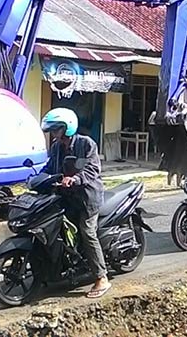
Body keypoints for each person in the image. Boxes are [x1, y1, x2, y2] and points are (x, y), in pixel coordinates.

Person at [39, 107, 111, 299]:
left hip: (87, 197)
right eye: (52, 131)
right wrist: (38, 177)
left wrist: (75, 179)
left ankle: (101, 277)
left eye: (56, 130)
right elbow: (49, 167)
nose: (54, 135)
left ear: (67, 128)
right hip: (66, 196)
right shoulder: (56, 147)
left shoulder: (86, 144)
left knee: (87, 231)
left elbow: (92, 170)